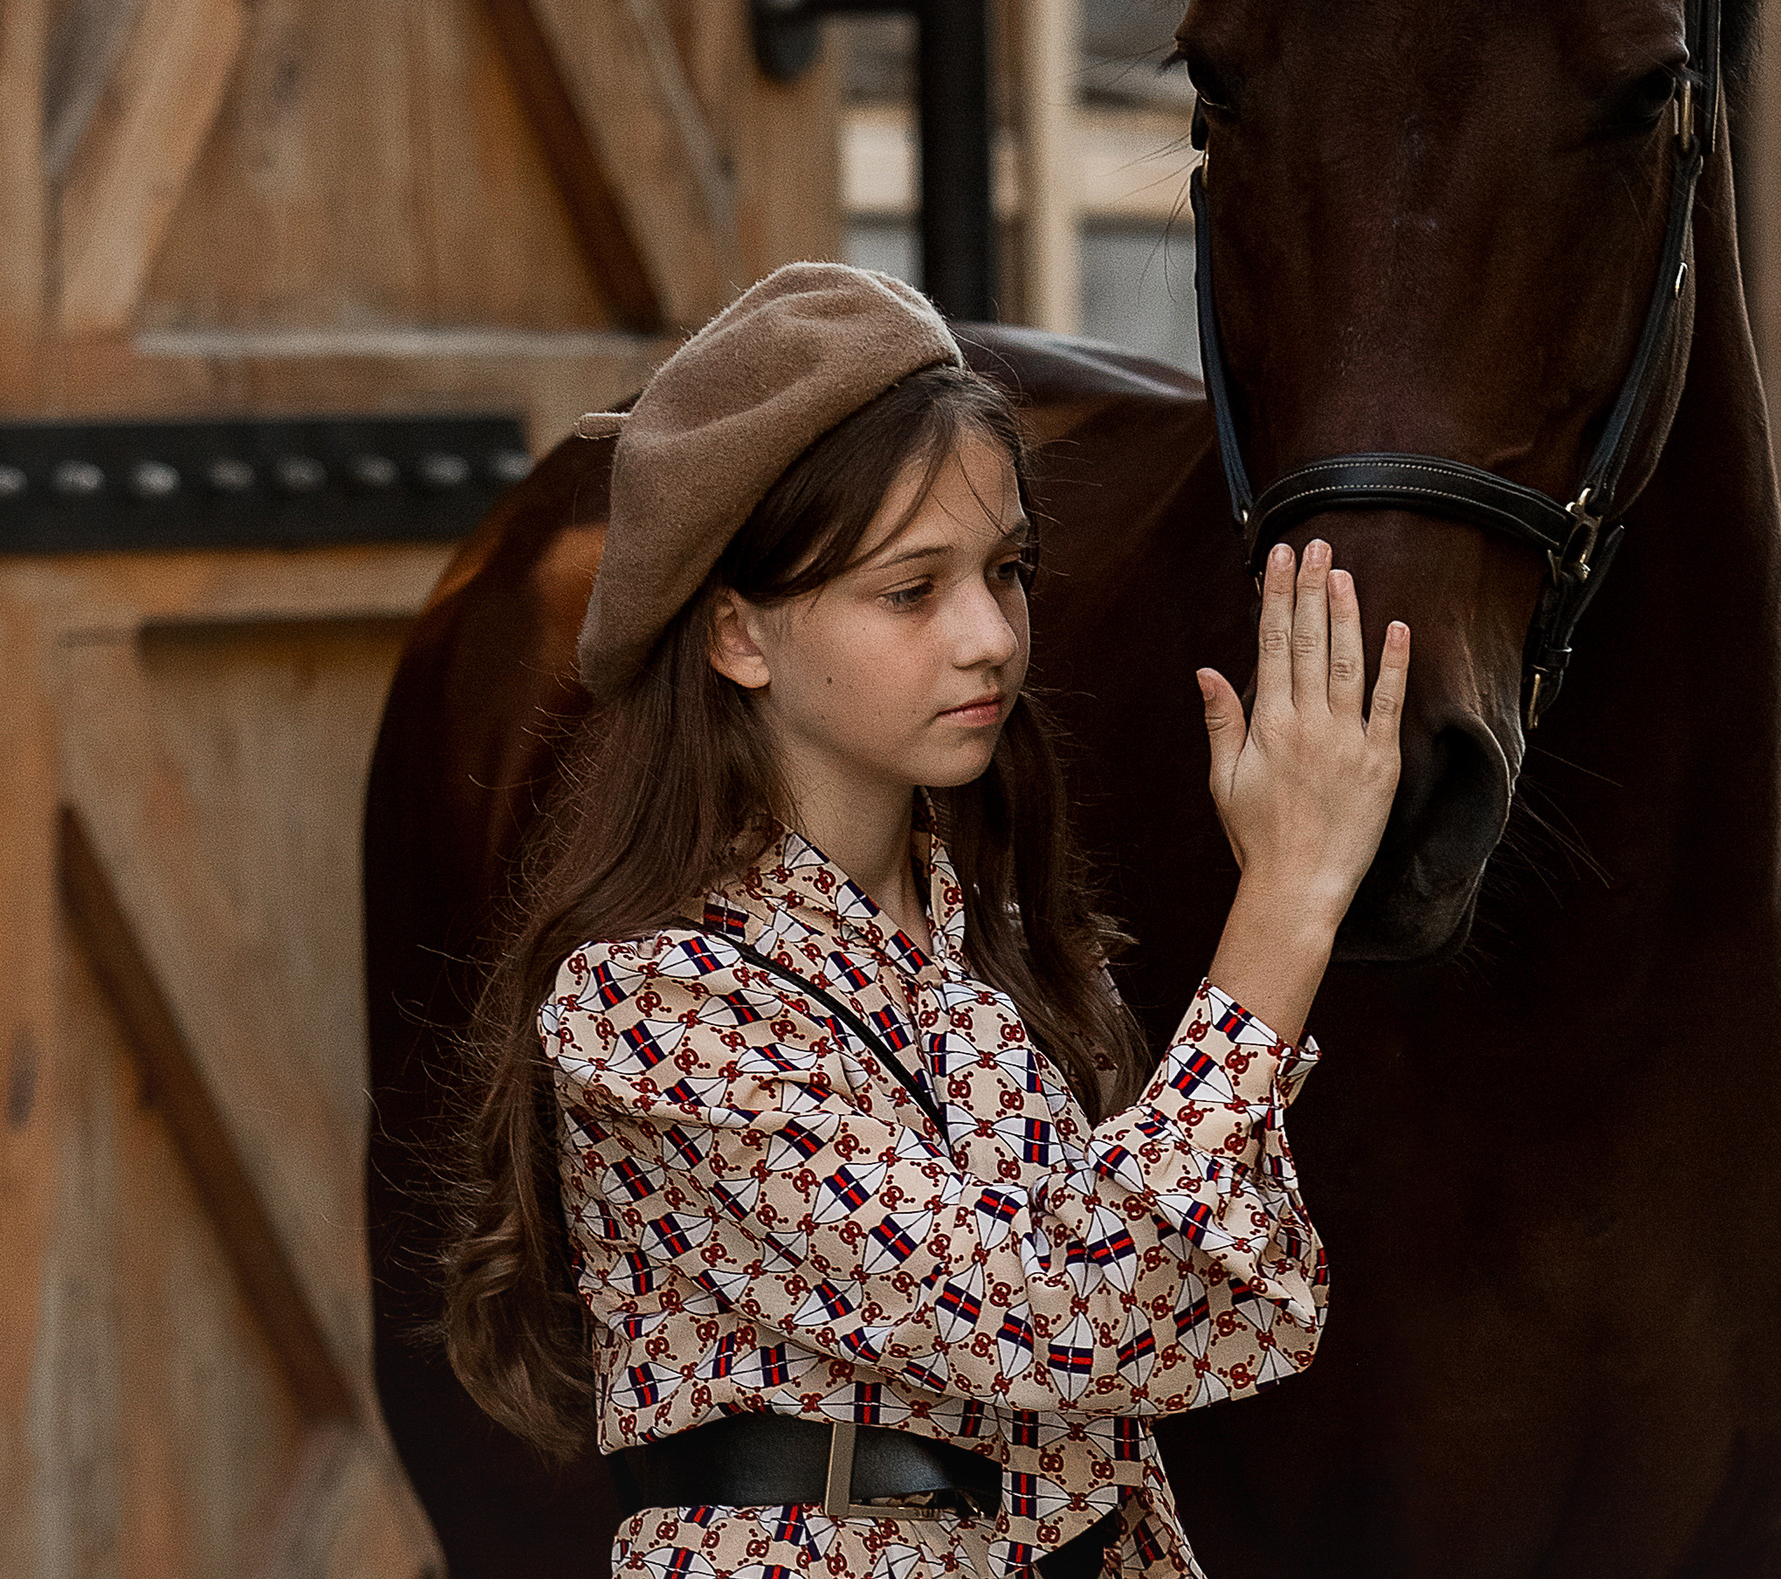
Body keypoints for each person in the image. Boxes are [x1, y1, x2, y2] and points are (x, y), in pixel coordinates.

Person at [439, 263, 1407, 1578]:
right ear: (737, 632)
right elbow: (1044, 1306)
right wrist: (1286, 907)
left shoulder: (1003, 953)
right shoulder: (653, 1006)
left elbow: (1255, 1309)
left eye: (1005, 571)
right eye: (911, 589)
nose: (989, 637)